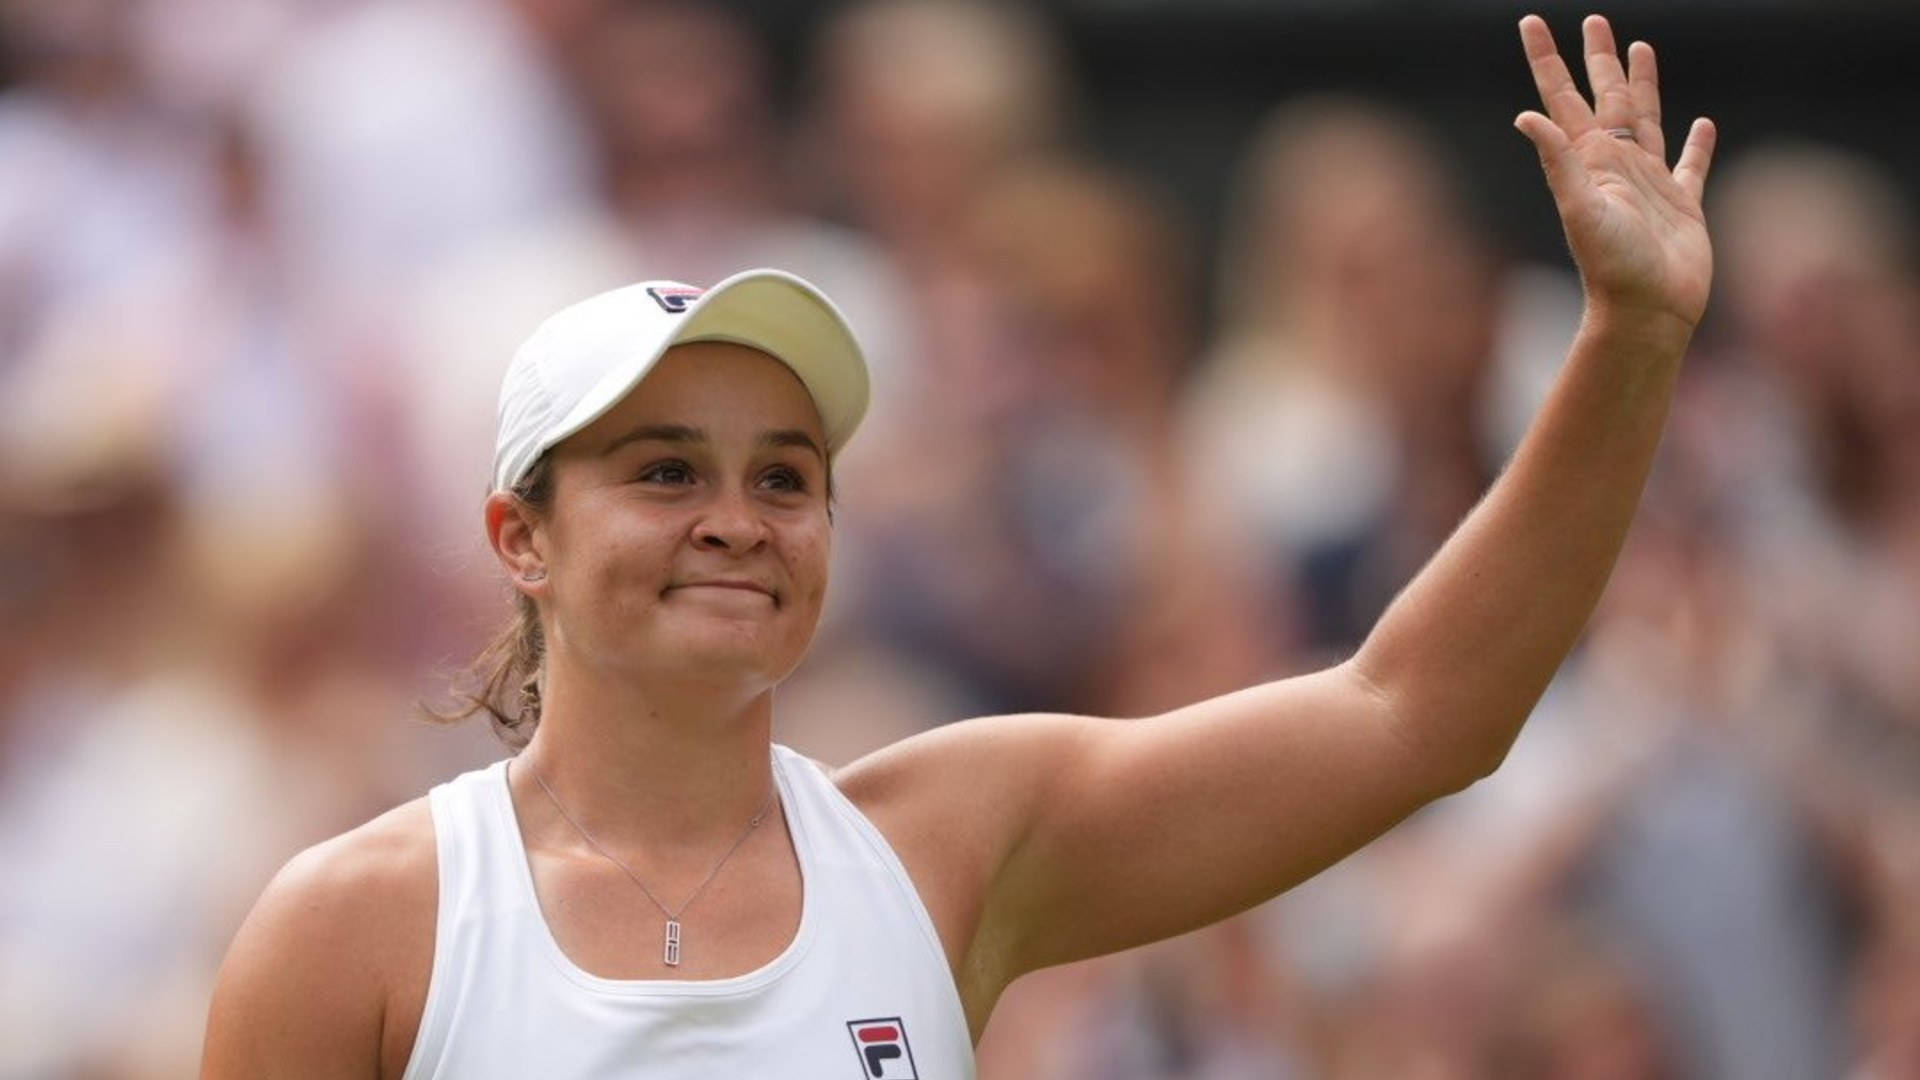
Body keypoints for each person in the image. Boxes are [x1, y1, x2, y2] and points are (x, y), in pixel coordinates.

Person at [200, 14, 1716, 1078]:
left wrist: (1629, 340)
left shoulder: (953, 840)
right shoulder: (355, 926)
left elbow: (1417, 711)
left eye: (787, 478)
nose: (739, 518)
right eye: (666, 471)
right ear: (518, 539)